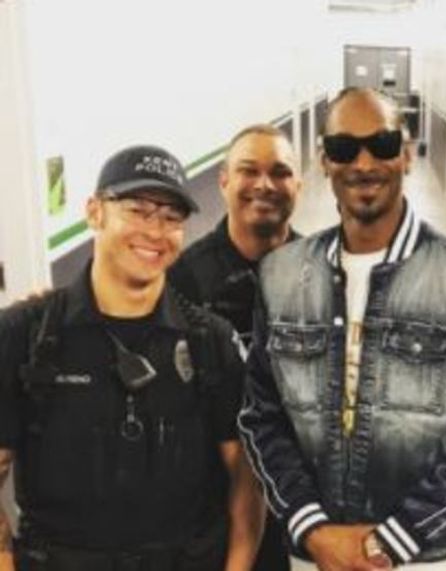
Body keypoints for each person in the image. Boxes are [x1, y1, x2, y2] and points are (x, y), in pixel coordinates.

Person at [237, 87, 446, 571]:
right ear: (324, 162)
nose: (364, 163)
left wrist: (394, 540)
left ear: (406, 155)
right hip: (316, 558)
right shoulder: (280, 276)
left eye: (382, 145)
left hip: (425, 558)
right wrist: (313, 530)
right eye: (345, 148)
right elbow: (262, 417)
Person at [0, 145, 263, 571]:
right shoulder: (24, 334)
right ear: (94, 212)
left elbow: (244, 480)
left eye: (172, 217)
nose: (156, 231)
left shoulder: (211, 342)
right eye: (138, 210)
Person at [169, 124, 303, 571]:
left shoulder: (322, 272)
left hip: (300, 492)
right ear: (223, 181)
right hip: (212, 499)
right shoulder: (181, 279)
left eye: (280, 172)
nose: (265, 184)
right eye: (249, 170)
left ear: (298, 186)